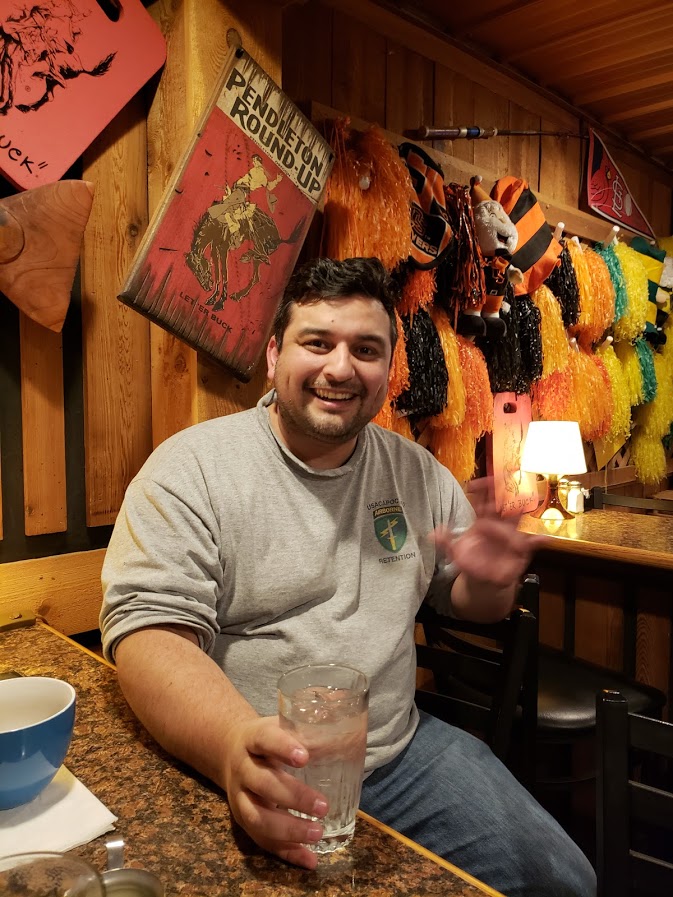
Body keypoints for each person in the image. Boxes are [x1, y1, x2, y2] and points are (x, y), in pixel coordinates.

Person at [100, 257, 596, 897]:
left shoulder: (417, 473)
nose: (340, 368)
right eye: (317, 343)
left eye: (366, 349)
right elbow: (149, 635)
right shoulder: (192, 469)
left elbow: (467, 602)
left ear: (389, 369)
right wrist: (233, 748)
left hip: (402, 757)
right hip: (242, 763)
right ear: (274, 354)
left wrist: (493, 580)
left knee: (565, 880)